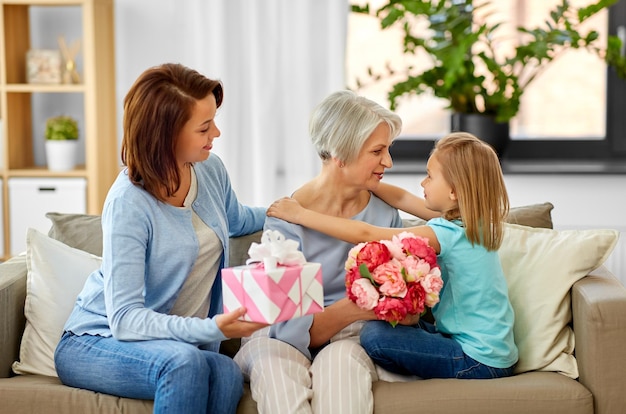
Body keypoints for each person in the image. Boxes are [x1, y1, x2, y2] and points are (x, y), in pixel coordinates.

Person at [54, 63, 268, 414]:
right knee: (184, 362)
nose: (216, 132)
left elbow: (237, 219)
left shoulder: (208, 169)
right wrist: (209, 327)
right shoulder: (129, 202)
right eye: (204, 127)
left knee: (226, 372)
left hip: (169, 344)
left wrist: (296, 208)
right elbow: (123, 319)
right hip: (95, 342)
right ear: (166, 135)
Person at [234, 90, 438, 414]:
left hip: (350, 338)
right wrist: (363, 304)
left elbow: (403, 308)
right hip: (278, 338)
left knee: (342, 365)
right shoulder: (287, 218)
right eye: (377, 151)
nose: (388, 162)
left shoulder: (384, 213)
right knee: (275, 369)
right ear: (341, 153)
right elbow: (288, 331)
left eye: (388, 149)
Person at [267, 132, 518, 380]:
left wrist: (300, 215)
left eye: (430, 177)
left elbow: (366, 233)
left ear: (453, 192)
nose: (423, 183)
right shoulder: (479, 223)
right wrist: (363, 181)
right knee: (394, 323)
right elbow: (402, 198)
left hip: (476, 360)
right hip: (493, 352)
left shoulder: (446, 233)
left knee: (376, 337)